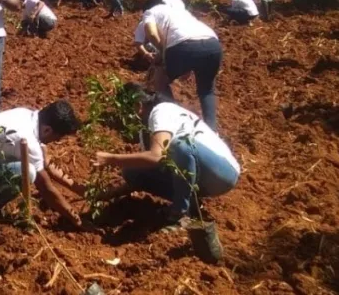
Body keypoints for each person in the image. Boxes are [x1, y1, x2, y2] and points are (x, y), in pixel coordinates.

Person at [92, 85, 239, 227]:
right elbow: (151, 166)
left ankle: (180, 212)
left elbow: (156, 156)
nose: (124, 120)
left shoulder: (160, 111)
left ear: (138, 105)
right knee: (132, 171)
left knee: (177, 145)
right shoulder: (146, 130)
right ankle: (190, 202)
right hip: (201, 177)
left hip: (223, 173)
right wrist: (109, 194)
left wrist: (110, 159)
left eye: (125, 113)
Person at [0, 100, 83, 226]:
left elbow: (46, 165)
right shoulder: (27, 140)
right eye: (57, 138)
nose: (55, 142)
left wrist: (83, 191)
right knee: (27, 172)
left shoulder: (26, 116)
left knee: (25, 165)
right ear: (48, 130)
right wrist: (74, 217)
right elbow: (46, 188)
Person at [142, 3, 223, 130]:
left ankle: (175, 122)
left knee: (160, 81)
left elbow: (151, 33)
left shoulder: (150, 12)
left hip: (183, 45)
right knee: (206, 90)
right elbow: (195, 44)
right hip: (212, 44)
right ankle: (212, 130)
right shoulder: (179, 11)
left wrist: (162, 53)